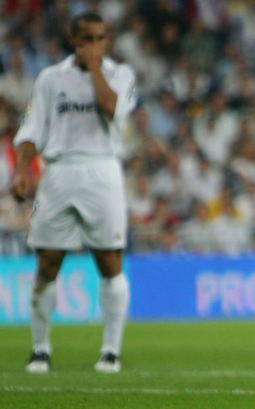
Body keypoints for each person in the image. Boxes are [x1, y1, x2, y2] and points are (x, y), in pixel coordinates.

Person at [11, 12, 137, 374]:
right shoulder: (51, 78)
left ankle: (111, 350)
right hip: (59, 170)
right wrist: (21, 171)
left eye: (100, 38)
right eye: (86, 38)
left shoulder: (120, 75)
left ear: (107, 41)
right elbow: (32, 128)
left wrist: (95, 68)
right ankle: (40, 349)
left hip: (103, 169)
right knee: (48, 261)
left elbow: (112, 109)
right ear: (73, 40)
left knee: (109, 261)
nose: (94, 44)